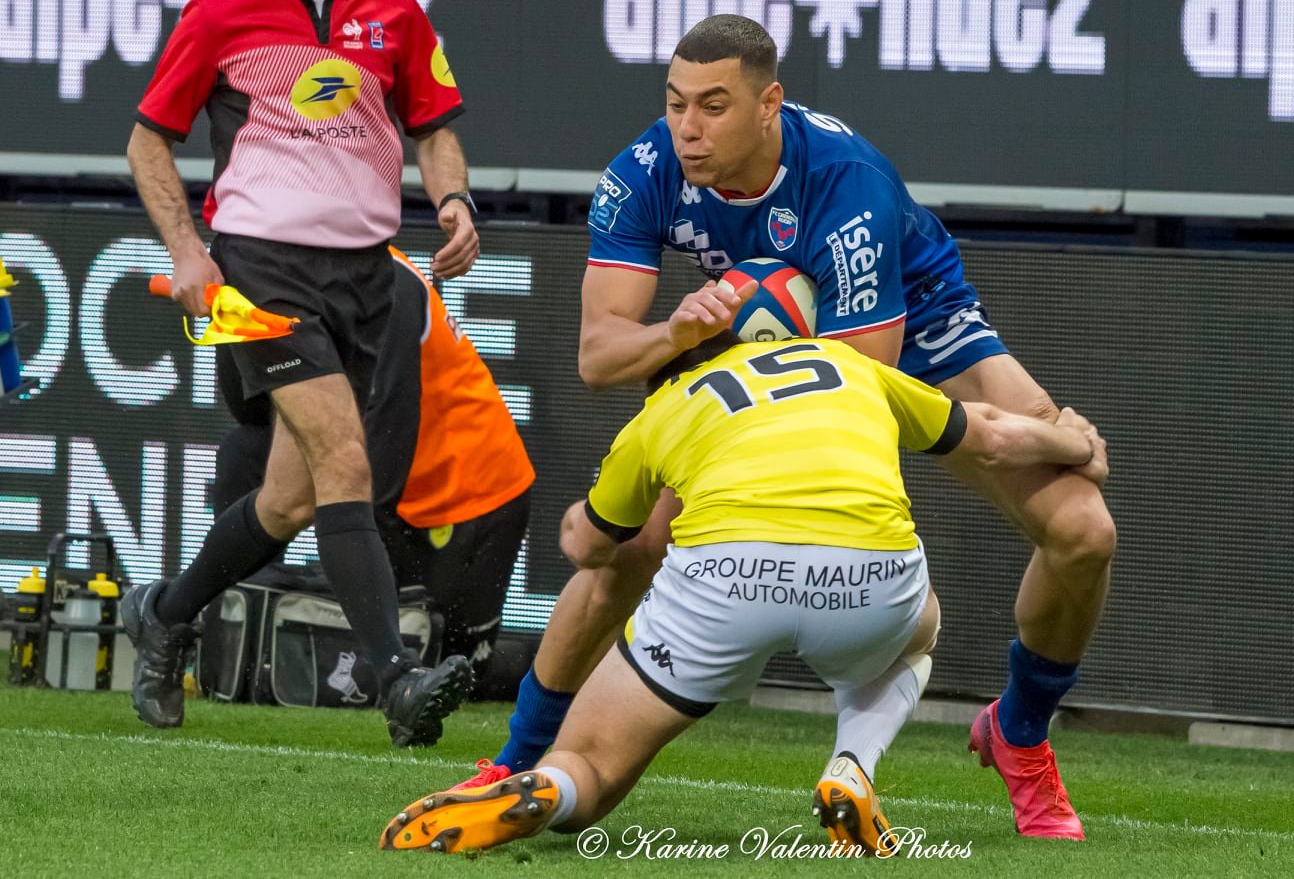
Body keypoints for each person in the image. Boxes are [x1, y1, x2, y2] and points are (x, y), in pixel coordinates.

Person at [491, 14, 1117, 839]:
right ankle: (512, 763)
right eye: (675, 102)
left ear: (769, 104)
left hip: (912, 328)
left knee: (1083, 529)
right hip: (769, 346)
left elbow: (859, 391)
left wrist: (1032, 436)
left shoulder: (843, 180)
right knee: (633, 545)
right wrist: (678, 334)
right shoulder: (641, 172)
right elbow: (600, 356)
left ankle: (1020, 733)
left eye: (713, 106)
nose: (688, 127)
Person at [380, 330, 1108, 855]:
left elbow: (590, 547)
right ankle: (850, 766)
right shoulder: (840, 361)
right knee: (916, 634)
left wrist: (578, 513)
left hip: (726, 585)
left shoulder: (661, 410)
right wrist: (1075, 444)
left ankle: (548, 788)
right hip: (866, 581)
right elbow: (985, 433)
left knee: (592, 773)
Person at [123, 0, 479, 747]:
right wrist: (187, 250)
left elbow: (434, 122)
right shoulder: (221, 11)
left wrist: (452, 202)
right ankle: (397, 682)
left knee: (285, 502)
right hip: (260, 266)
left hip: (364, 271)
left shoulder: (393, 7)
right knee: (345, 463)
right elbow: (146, 138)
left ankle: (166, 612)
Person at [214, 248, 535, 694]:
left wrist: (350, 549)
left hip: (471, 494)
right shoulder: (270, 268)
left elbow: (391, 424)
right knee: (242, 451)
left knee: (458, 673)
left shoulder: (388, 282)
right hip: (385, 485)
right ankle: (232, 634)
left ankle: (560, 664)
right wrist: (234, 319)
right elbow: (248, 411)